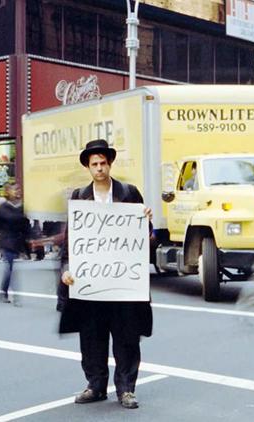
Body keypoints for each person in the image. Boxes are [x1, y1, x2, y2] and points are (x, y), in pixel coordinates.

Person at [58, 139, 153, 410]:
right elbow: (71, 240)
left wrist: (146, 220)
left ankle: (126, 390)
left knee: (126, 337)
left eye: (103, 163)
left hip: (123, 281)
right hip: (90, 282)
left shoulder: (129, 192)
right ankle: (96, 386)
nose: (99, 168)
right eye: (94, 164)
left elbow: (147, 236)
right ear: (88, 168)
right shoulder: (79, 197)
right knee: (91, 337)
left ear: (110, 164)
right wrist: (66, 269)